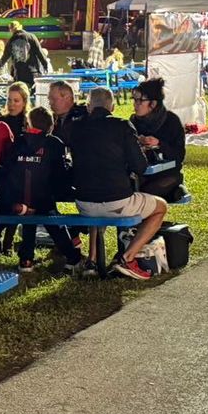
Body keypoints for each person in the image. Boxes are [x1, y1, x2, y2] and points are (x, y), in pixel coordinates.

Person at [68, 87, 167, 280]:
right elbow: (140, 166)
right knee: (160, 207)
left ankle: (93, 259)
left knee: (97, 209)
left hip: (84, 204)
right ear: (112, 107)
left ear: (89, 107)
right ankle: (127, 258)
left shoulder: (75, 128)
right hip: (117, 202)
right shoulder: (122, 125)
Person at [0, 107, 77, 272]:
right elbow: (60, 175)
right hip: (43, 200)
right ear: (51, 126)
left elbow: (6, 167)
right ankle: (72, 257)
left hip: (16, 200)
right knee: (52, 218)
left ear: (27, 124)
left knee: (29, 210)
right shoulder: (54, 143)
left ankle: (26, 259)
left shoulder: (17, 142)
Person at [129, 78, 187, 202]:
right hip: (141, 173)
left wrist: (159, 143)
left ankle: (174, 193)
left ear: (153, 104)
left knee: (144, 194)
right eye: (134, 100)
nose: (135, 104)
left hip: (167, 174)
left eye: (140, 100)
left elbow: (179, 155)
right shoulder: (134, 121)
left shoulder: (171, 121)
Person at [0, 21, 50, 87]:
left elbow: (5, 56)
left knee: (21, 93)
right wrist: (45, 66)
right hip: (33, 72)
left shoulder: (11, 40)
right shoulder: (31, 36)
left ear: (11, 30)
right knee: (32, 93)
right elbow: (39, 52)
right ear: (21, 26)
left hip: (19, 73)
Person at [48, 80, 87, 145]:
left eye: (53, 99)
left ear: (67, 97)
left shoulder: (83, 117)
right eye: (49, 99)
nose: (50, 103)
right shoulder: (50, 119)